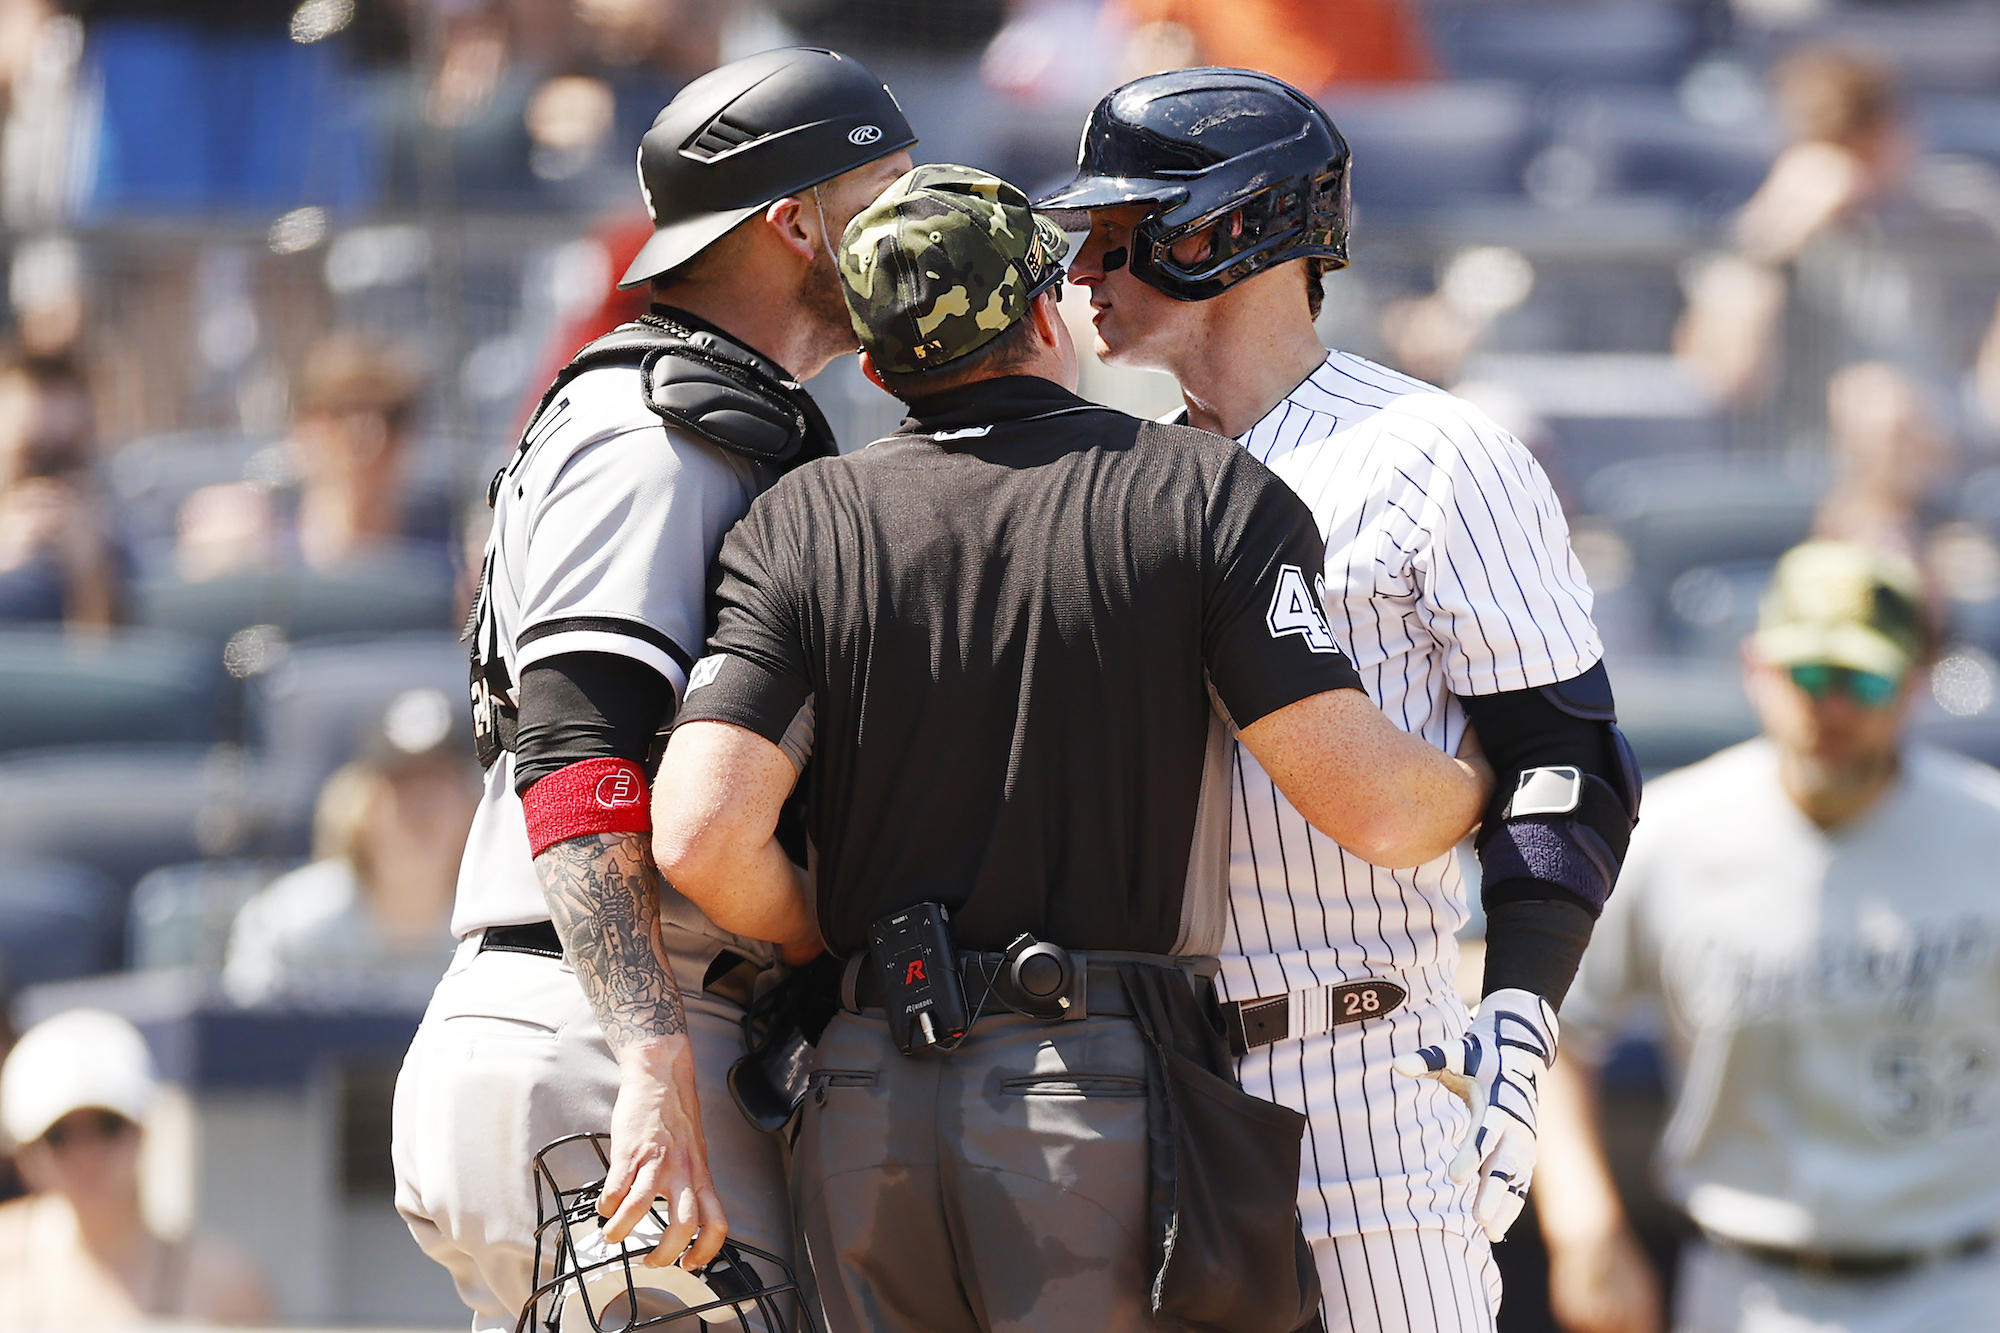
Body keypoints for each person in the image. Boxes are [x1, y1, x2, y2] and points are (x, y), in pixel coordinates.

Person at [651, 162, 1493, 1333]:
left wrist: (822, 941)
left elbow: (698, 832)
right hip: (1083, 1091)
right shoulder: (1196, 491)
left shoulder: (800, 520)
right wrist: (1487, 776)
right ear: (1045, 314)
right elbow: (1380, 810)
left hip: (861, 1089)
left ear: (878, 361)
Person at [1037, 67, 1639, 1333]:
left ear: (1233, 229)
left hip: (1357, 1072)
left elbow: (1562, 760)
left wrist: (1518, 1018)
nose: (1080, 269)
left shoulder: (1433, 453)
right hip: (1129, 1071)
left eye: (1118, 231)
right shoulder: (1113, 475)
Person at [389, 47, 915, 1329]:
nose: (911, 226)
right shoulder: (656, 433)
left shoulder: (700, 409)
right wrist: (648, 1055)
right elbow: (576, 753)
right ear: (796, 221)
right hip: (611, 1027)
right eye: (883, 192)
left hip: (589, 1022)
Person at [1539, 540, 2000, 1333]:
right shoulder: (1673, 838)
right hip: (1745, 1289)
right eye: (1809, 674)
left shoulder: (1987, 831)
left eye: (1865, 678)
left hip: (1956, 1284)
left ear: (1916, 682)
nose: (1833, 705)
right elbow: (1551, 1033)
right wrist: (1584, 1222)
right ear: (1756, 667)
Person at [0, 1008, 271, 1326]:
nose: (87, 1155)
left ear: (144, 1130)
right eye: (59, 1136)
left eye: (108, 1125)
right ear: (25, 1152)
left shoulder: (225, 1287)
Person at [224, 687, 474, 1007]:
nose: (421, 805)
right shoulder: (286, 923)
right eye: (401, 784)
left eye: (440, 783)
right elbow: (249, 1044)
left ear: (473, 802)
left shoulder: (507, 925)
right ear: (361, 805)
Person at [175, 332, 441, 582]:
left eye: (392, 416)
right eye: (344, 411)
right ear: (302, 426)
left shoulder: (445, 553)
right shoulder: (252, 533)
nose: (370, 437)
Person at [0, 349, 117, 627]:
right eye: (31, 456)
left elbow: (102, 662)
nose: (47, 484)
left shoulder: (123, 535)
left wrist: (91, 572)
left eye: (65, 458)